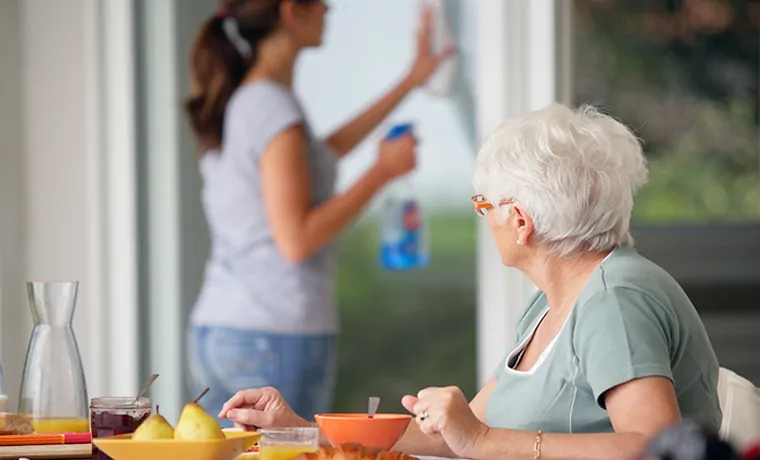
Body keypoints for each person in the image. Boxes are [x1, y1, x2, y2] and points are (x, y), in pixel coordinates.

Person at [217, 104, 723, 459]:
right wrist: (302, 430)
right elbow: (449, 438)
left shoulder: (616, 301)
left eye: (484, 205)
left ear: (521, 220)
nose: (482, 219)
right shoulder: (553, 302)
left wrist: (480, 441)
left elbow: (657, 448)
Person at [183, 0, 452, 426]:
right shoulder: (272, 107)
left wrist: (411, 80)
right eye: (321, 3)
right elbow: (297, 240)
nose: (329, 10)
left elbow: (322, 155)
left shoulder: (253, 100)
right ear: (292, 10)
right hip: (273, 332)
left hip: (229, 327)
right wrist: (382, 172)